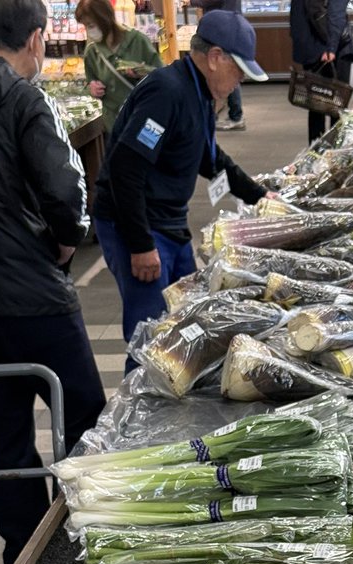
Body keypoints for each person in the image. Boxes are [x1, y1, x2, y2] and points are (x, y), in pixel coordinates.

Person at [0, 0, 105, 564]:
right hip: (35, 298)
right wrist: (65, 242)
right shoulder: (28, 101)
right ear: (35, 40)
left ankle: (21, 556)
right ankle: (80, 543)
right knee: (86, 419)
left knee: (6, 431)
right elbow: (65, 191)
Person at [93, 9, 268, 374]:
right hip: (138, 223)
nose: (238, 83)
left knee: (185, 318)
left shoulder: (198, 91)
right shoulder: (167, 92)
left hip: (170, 222)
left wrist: (259, 195)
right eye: (238, 71)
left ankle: (166, 405)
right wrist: (141, 245)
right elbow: (126, 168)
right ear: (216, 57)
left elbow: (208, 155)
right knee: (151, 336)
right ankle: (135, 423)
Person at [75, 0, 162, 132]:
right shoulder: (93, 50)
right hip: (115, 123)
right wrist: (92, 89)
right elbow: (90, 81)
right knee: (123, 152)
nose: (88, 31)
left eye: (91, 25)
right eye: (85, 26)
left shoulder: (138, 40)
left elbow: (163, 77)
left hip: (147, 119)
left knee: (150, 149)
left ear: (104, 20)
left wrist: (142, 72)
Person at [289, 0, 353, 145]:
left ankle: (316, 151)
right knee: (337, 105)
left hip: (310, 47)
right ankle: (334, 154)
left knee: (315, 106)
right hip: (330, 49)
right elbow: (335, 13)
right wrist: (331, 47)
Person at [199, 0, 246, 131]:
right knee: (229, 72)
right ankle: (234, 115)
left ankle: (236, 116)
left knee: (228, 72)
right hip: (227, 26)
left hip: (223, 28)